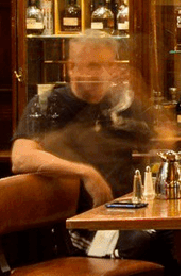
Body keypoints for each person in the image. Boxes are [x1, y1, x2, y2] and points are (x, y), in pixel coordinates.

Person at [11, 30, 168, 261]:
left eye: (108, 66)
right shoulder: (48, 104)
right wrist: (86, 173)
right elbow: (21, 158)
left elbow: (165, 138)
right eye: (94, 66)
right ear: (71, 67)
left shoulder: (121, 104)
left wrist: (141, 90)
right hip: (81, 224)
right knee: (144, 242)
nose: (102, 74)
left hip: (129, 212)